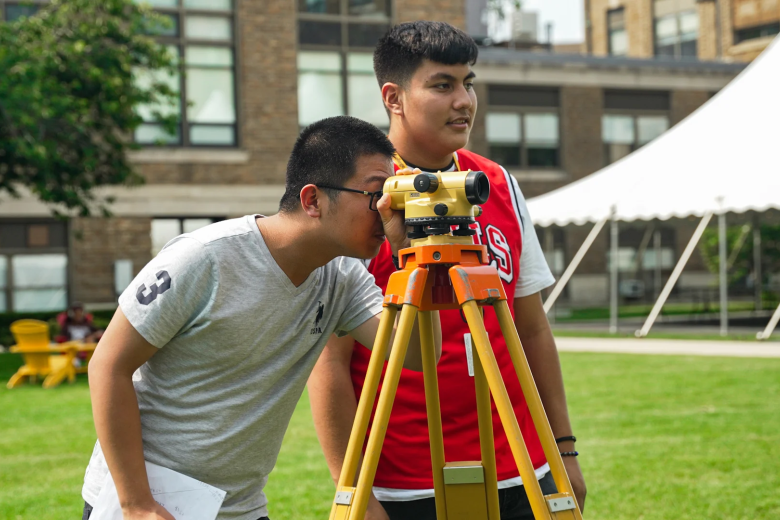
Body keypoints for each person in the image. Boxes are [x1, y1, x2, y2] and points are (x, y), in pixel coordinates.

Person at [81, 116, 440, 520]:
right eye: (375, 194)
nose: (387, 210)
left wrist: (418, 254)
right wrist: (136, 503)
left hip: (241, 507)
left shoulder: (342, 277)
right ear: (313, 200)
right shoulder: (205, 257)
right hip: (148, 502)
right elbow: (108, 364)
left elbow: (416, 354)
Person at [308, 21, 586, 520]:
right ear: (393, 97)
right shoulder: (356, 198)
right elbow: (329, 361)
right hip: (404, 481)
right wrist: (355, 491)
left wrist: (563, 450)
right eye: (443, 85)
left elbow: (533, 329)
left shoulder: (497, 183)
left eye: (468, 82)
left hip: (522, 464)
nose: (464, 100)